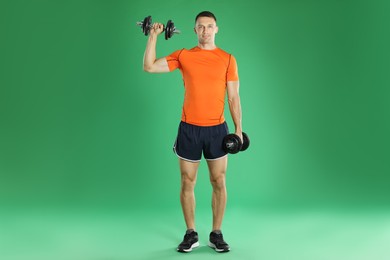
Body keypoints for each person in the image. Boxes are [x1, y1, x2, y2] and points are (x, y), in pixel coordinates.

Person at [143, 11, 243, 253]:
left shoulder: (228, 59)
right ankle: (191, 233)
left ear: (216, 29)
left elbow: (233, 97)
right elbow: (149, 67)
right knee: (187, 181)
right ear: (195, 30)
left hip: (217, 130)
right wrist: (153, 36)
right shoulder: (184, 56)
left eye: (209, 26)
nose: (205, 31)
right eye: (201, 27)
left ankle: (216, 234)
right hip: (189, 128)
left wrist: (239, 129)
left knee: (218, 181)